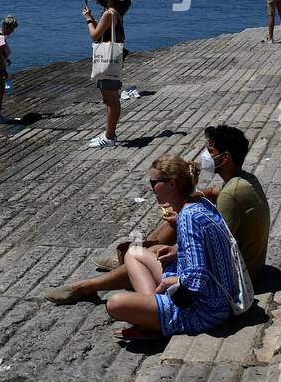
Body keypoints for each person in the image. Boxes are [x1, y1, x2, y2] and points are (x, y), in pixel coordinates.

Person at [42, 126, 269, 305]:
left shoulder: (232, 194)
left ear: (226, 157)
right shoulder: (242, 180)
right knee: (181, 210)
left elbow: (217, 245)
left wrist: (181, 233)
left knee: (158, 249)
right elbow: (215, 192)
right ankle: (130, 259)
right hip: (245, 264)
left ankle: (89, 286)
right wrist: (191, 196)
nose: (205, 157)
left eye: (211, 152)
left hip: (236, 274)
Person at [104, 154, 240, 340]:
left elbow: (196, 276)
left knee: (114, 303)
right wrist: (177, 249)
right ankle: (151, 311)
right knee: (133, 252)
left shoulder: (187, 217)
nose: (152, 189)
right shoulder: (201, 203)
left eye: (154, 183)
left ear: (172, 184)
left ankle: (153, 322)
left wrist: (167, 282)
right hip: (215, 295)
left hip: (204, 309)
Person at [84, 0, 130, 148]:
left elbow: (94, 34)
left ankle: (109, 137)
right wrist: (93, 18)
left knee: (111, 100)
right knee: (110, 98)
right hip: (113, 58)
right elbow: (104, 30)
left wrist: (88, 19)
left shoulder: (109, 14)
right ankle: (108, 133)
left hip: (107, 59)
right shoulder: (116, 12)